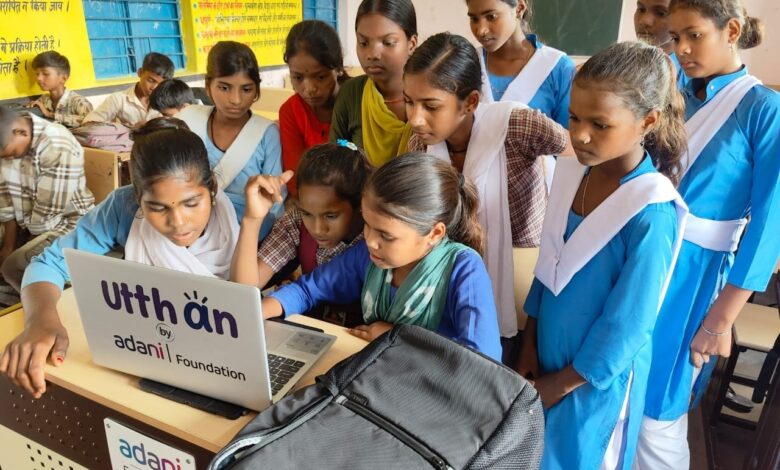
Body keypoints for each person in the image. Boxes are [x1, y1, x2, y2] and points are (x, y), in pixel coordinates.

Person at [517, 41, 688, 470]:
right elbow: (550, 261)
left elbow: (628, 324)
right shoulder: (572, 172)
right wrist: (530, 342)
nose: (579, 135)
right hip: (547, 354)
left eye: (600, 124)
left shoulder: (651, 211)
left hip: (594, 382)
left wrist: (562, 383)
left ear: (647, 121)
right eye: (574, 117)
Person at [0, 117, 240, 398]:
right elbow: (48, 264)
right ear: (137, 198)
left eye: (192, 203)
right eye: (157, 208)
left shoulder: (244, 217)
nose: (178, 222)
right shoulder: (121, 208)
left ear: (212, 188)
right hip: (148, 348)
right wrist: (40, 319)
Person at [638, 1, 780, 468]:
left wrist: (720, 320)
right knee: (617, 385)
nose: (681, 48)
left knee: (660, 402)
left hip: (693, 274)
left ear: (732, 30)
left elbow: (769, 228)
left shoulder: (763, 110)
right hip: (641, 255)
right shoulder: (670, 93)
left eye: (693, 35)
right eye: (675, 36)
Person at [404, 32, 570, 365]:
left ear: (470, 102)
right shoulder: (421, 145)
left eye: (431, 106)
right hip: (453, 272)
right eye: (409, 101)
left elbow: (579, 154)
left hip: (521, 271)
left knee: (509, 364)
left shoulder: (515, 125)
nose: (415, 118)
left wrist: (563, 225)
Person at [256, 152, 502, 361]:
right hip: (379, 373)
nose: (371, 241)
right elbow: (308, 290)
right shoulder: (368, 255)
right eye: (367, 224)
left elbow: (482, 361)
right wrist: (255, 314)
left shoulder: (463, 268)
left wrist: (396, 338)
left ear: (434, 234)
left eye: (386, 235)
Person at [233, 141, 370, 326]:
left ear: (360, 204)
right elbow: (243, 292)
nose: (317, 228)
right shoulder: (296, 223)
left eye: (331, 216)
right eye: (307, 213)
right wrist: (252, 219)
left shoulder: (375, 238)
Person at [177, 41, 283, 236]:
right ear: (208, 86)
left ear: (257, 90)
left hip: (246, 234)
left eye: (246, 89)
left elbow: (275, 203)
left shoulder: (267, 134)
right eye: (224, 88)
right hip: (186, 230)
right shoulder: (187, 120)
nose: (235, 99)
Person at [0, 107, 94, 292]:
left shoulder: (57, 145)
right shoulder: (5, 140)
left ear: (21, 132)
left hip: (69, 221)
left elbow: (47, 213)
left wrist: (22, 250)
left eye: (10, 153)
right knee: (10, 256)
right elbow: (5, 199)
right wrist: (8, 246)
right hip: (27, 221)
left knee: (16, 265)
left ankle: (43, 300)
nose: (8, 159)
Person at [329, 0, 418, 166]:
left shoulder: (429, 96)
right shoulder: (351, 93)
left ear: (411, 44)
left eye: (388, 43)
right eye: (363, 43)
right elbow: (336, 160)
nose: (372, 54)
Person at [279, 20, 349, 196]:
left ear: (338, 68)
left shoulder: (357, 101)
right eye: (298, 78)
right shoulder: (291, 111)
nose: (309, 89)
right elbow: (294, 177)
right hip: (309, 201)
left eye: (320, 77)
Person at [83, 52, 173, 128]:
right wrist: (127, 130)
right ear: (140, 72)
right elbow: (88, 124)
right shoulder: (118, 99)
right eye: (151, 80)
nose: (154, 88)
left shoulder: (169, 101)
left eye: (161, 84)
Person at [27, 51, 93, 128]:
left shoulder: (79, 102)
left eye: (45, 74)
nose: (39, 78)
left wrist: (50, 115)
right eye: (37, 74)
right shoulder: (43, 100)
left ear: (63, 78)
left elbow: (92, 123)